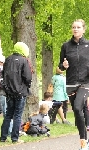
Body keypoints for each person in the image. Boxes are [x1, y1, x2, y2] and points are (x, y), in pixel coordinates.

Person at [58, 19, 89, 150]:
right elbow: (60, 67)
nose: (75, 29)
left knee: (77, 108)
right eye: (73, 27)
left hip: (85, 82)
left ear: (83, 29)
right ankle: (85, 140)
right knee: (78, 114)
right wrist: (63, 66)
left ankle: (83, 142)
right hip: (71, 83)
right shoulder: (66, 46)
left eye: (78, 27)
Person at [0, 42, 32, 143]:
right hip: (20, 92)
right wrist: (27, 85)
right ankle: (15, 138)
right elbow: (27, 77)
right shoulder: (24, 60)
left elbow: (3, 74)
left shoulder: (8, 59)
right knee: (18, 115)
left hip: (9, 92)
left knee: (8, 115)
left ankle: (3, 137)